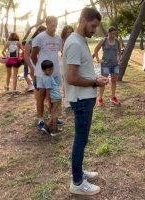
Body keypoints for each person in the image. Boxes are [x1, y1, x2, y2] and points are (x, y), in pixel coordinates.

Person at [63, 7, 108, 195]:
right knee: (80, 141)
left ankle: (79, 171)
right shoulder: (74, 43)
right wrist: (94, 82)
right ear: (83, 20)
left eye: (96, 27)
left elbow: (79, 71)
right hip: (81, 99)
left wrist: (94, 79)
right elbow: (71, 77)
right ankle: (77, 183)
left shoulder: (79, 40)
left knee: (82, 140)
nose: (94, 30)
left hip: (85, 97)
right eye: (92, 26)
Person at [31, 16, 63, 133]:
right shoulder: (40, 37)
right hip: (43, 73)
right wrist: (40, 69)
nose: (54, 27)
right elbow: (33, 56)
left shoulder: (59, 39)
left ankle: (53, 118)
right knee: (42, 95)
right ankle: (40, 119)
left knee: (54, 95)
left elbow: (60, 53)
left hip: (55, 73)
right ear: (47, 24)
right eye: (52, 25)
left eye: (56, 25)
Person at [93, 26, 122, 106]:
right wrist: (98, 59)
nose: (113, 35)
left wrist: (119, 59)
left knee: (114, 81)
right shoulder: (104, 40)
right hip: (105, 65)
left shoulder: (117, 41)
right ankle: (100, 99)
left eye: (114, 34)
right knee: (103, 82)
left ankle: (113, 97)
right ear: (108, 33)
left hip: (115, 65)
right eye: (112, 34)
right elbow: (96, 50)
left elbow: (119, 51)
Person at [40, 60, 62, 136]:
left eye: (52, 69)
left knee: (54, 114)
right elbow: (48, 91)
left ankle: (46, 128)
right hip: (55, 98)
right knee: (55, 114)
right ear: (43, 70)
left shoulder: (46, 76)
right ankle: (54, 130)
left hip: (55, 97)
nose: (51, 71)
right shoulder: (48, 78)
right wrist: (49, 102)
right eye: (49, 70)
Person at [60, 25, 74, 109]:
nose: (71, 33)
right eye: (69, 32)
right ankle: (67, 101)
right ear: (65, 33)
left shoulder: (74, 40)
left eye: (72, 31)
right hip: (64, 63)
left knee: (72, 81)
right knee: (66, 82)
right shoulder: (62, 41)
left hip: (72, 62)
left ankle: (72, 99)